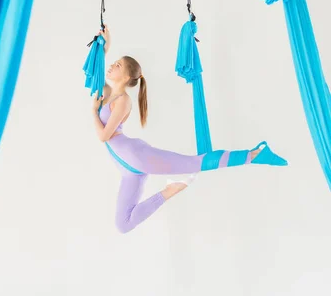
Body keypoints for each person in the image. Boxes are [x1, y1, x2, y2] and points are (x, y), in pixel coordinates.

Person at [92, 25, 288, 233]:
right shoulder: (108, 93)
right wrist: (105, 47)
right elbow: (97, 77)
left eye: (118, 65)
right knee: (123, 224)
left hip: (135, 156)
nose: (112, 66)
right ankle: (169, 191)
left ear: (126, 76)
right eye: (113, 63)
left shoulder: (122, 101)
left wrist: (94, 112)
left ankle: (255, 154)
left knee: (196, 162)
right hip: (127, 171)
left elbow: (104, 136)